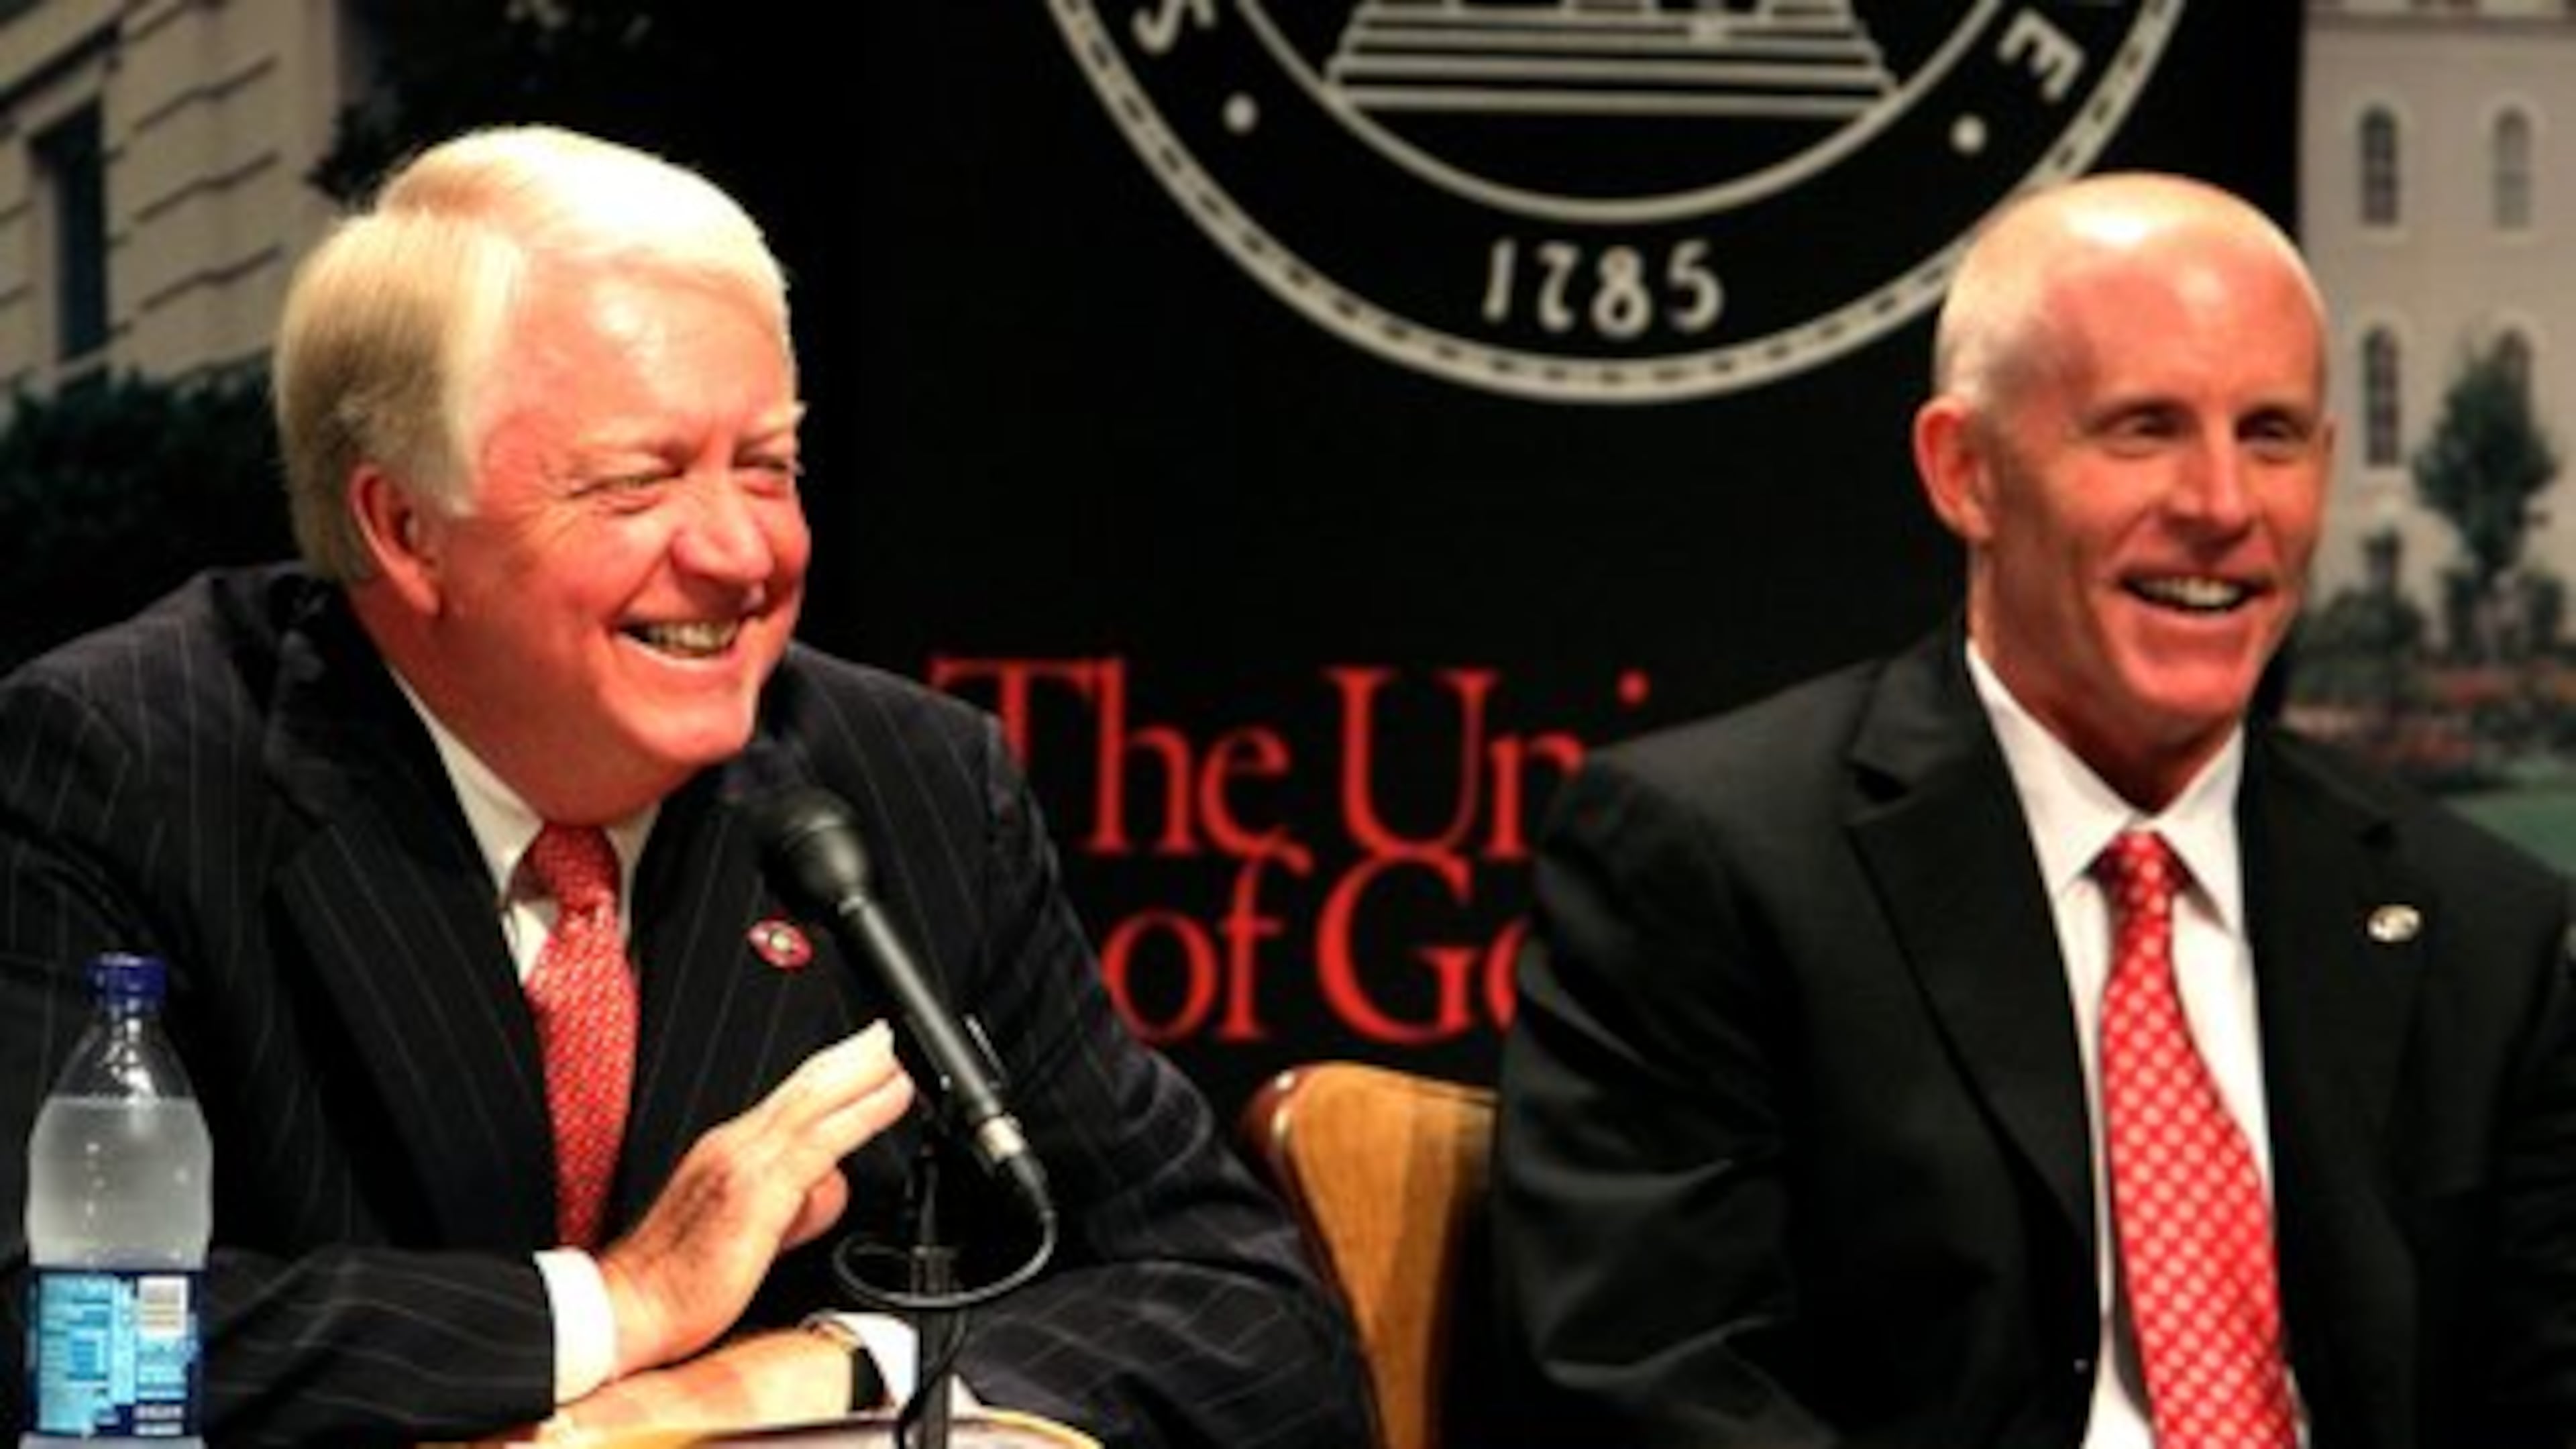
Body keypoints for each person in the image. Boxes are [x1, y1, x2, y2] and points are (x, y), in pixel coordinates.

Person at [0, 124, 1368, 1448]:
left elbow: (1246, 1317)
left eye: (767, 468)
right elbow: (40, 1337)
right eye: (639, 482)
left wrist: (824, 1368)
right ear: (405, 527)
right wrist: (618, 1308)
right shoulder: (129, 765)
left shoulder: (910, 783)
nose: (739, 554)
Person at [1493, 170, 2576, 1448]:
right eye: (2143, 429)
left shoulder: (2483, 929)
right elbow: (1648, 1386)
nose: (2225, 506)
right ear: (1966, 473)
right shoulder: (1712, 861)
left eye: (2273, 435)